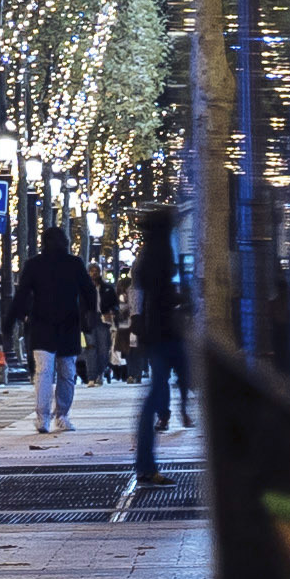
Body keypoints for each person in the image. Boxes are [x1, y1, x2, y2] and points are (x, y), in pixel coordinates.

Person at [13, 229, 102, 437]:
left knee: (43, 373)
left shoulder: (34, 264)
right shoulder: (74, 263)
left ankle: (42, 417)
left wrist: (18, 317)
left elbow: (22, 293)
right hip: (68, 325)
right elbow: (89, 291)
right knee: (66, 373)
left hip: (42, 326)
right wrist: (91, 315)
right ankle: (62, 415)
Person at [127, 208, 192, 486]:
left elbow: (144, 294)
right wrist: (182, 299)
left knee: (160, 389)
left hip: (158, 333)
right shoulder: (160, 252)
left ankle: (145, 464)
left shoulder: (148, 254)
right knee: (160, 391)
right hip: (166, 332)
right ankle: (145, 466)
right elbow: (161, 294)